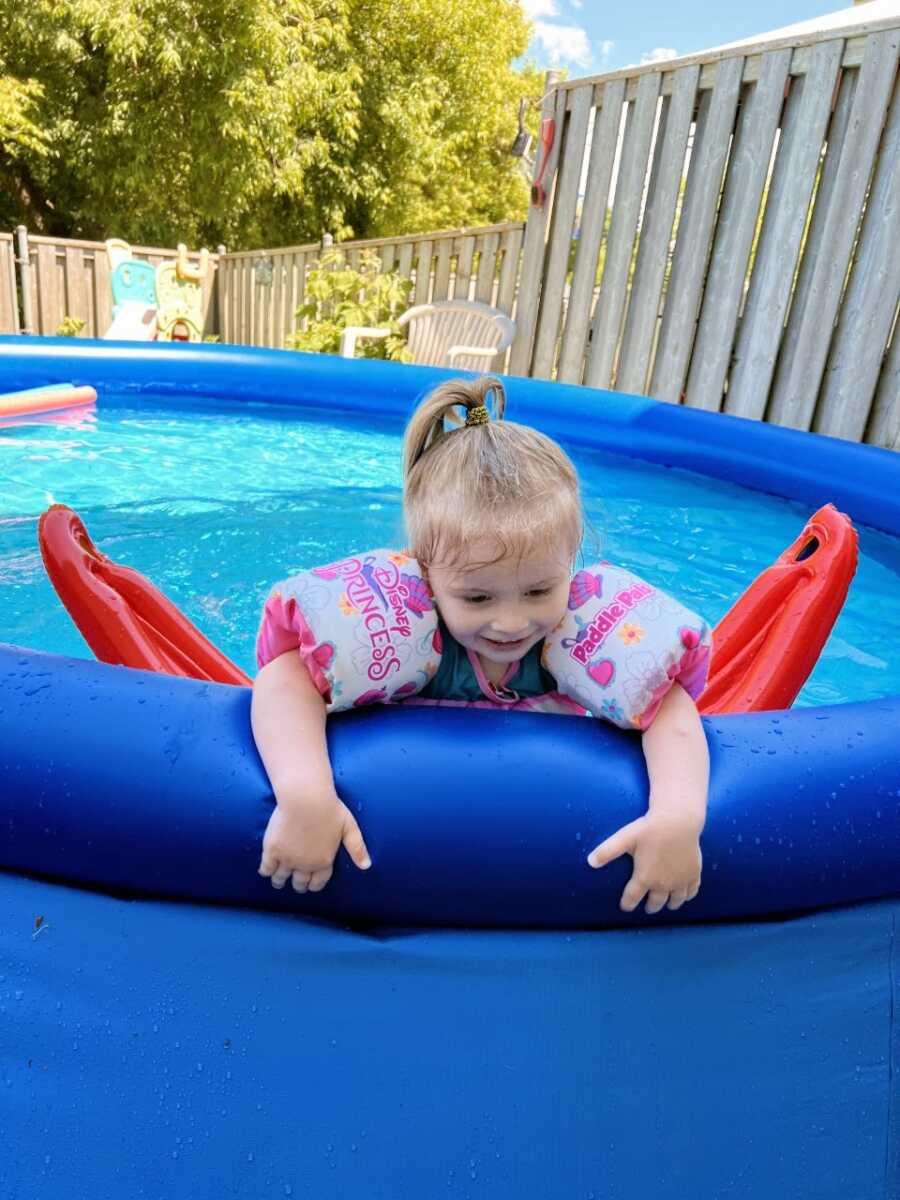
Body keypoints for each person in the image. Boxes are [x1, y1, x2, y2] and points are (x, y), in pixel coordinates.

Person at [251, 377, 711, 915]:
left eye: (540, 589)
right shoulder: (397, 630)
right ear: (424, 574)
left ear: (572, 562)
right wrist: (305, 797)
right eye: (476, 597)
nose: (511, 621)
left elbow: (671, 711)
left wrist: (679, 819)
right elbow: (284, 679)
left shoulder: (580, 639)